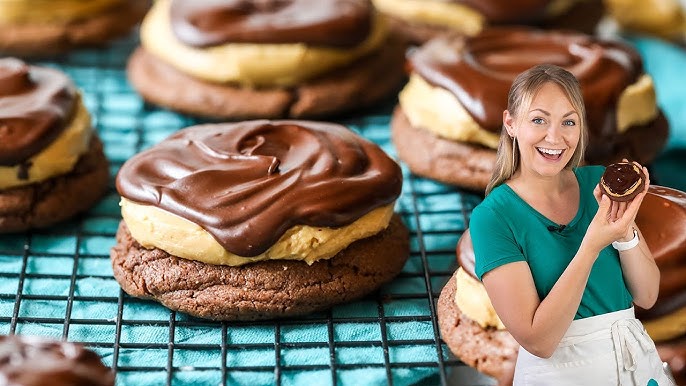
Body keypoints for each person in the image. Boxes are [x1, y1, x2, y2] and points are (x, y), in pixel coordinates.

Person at [470, 63, 674, 386]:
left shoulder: (599, 183)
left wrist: (625, 231)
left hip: (638, 369)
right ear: (510, 123)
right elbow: (539, 340)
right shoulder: (492, 218)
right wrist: (592, 243)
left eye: (569, 122)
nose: (555, 137)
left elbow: (647, 295)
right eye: (539, 120)